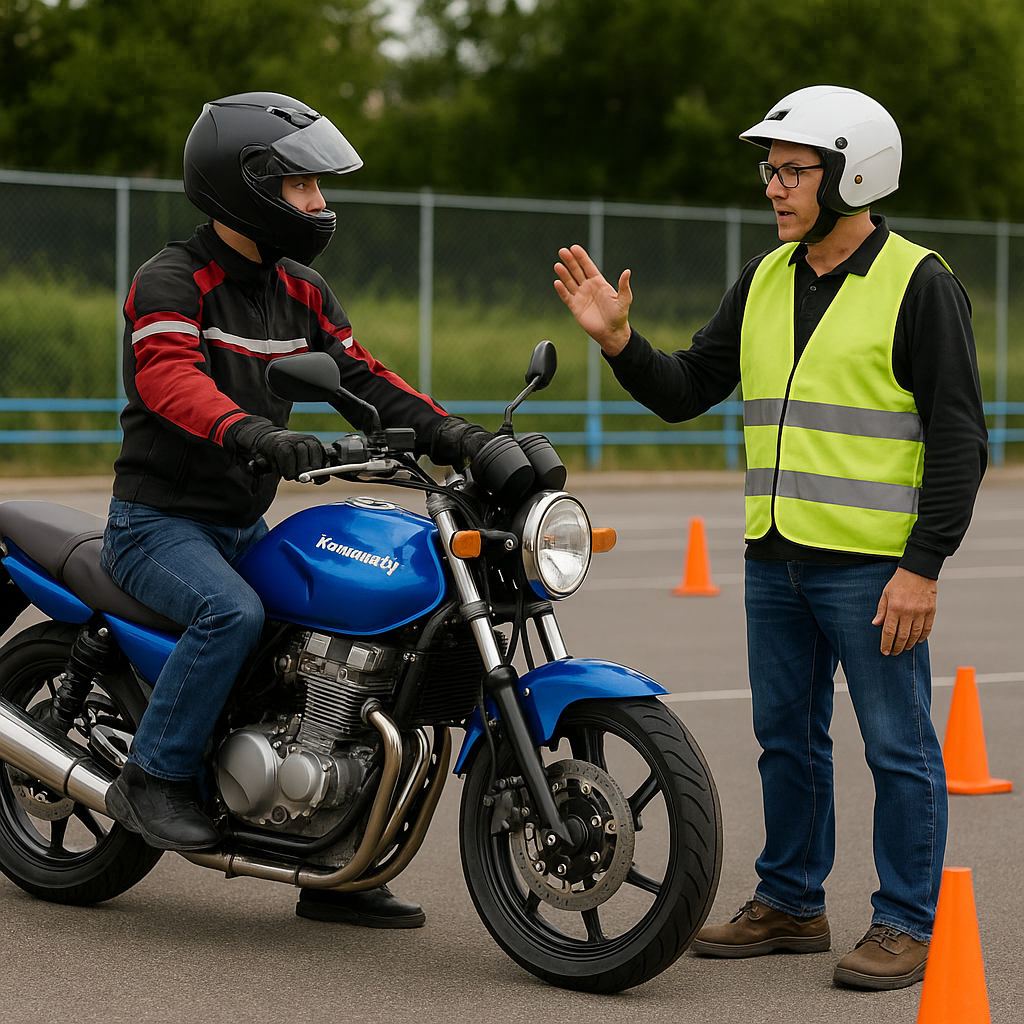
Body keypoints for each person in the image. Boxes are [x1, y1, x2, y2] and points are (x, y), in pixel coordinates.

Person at [553, 85, 987, 990]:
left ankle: (906, 921)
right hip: (775, 560)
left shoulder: (919, 283)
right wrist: (621, 341)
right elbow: (685, 390)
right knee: (786, 741)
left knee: (896, 747)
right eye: (771, 170)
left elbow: (960, 438)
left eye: (793, 171)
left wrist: (922, 568)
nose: (774, 187)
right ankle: (790, 903)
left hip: (872, 569)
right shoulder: (764, 279)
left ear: (852, 173)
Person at [101, 92, 490, 928]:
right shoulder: (174, 278)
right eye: (303, 187)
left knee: (358, 641)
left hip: (242, 524)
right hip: (158, 523)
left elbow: (365, 377)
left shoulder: (302, 291)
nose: (320, 204)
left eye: (319, 188)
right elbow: (169, 377)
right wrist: (251, 433)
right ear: (247, 187)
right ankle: (154, 777)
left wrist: (458, 435)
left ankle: (332, 858)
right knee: (229, 614)